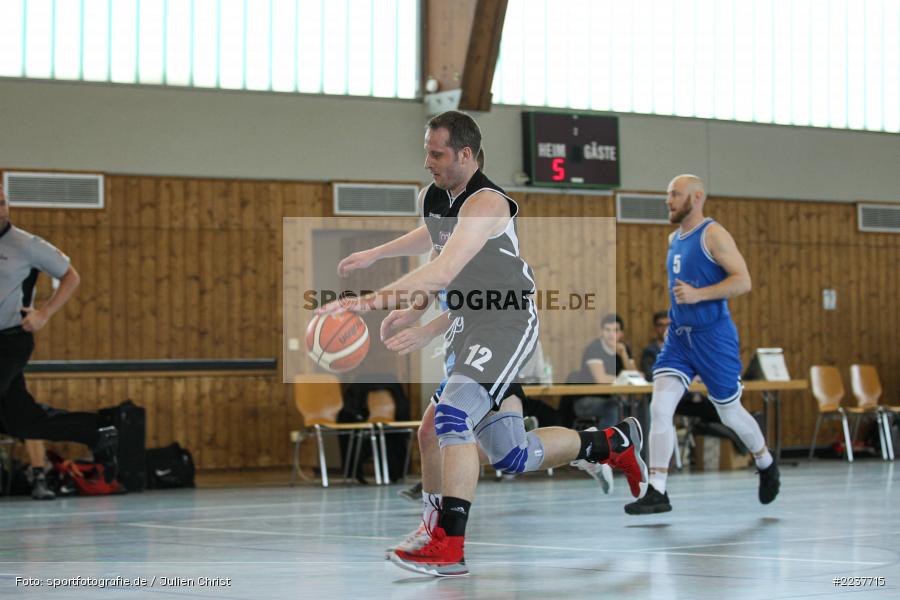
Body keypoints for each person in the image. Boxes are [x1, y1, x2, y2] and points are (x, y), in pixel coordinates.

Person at [321, 111, 647, 577]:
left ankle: (447, 544)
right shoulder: (434, 196)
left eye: (437, 153)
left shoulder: (488, 202)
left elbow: (444, 267)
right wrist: (396, 280)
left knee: (451, 419)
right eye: (426, 150)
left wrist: (367, 301)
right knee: (497, 450)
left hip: (506, 321)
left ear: (466, 154)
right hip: (469, 322)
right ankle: (608, 443)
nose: (428, 160)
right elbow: (435, 244)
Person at [625, 174, 780, 515]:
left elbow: (743, 281)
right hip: (680, 338)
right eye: (667, 194)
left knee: (730, 412)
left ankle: (766, 462)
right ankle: (658, 489)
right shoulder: (673, 238)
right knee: (660, 407)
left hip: (714, 337)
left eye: (674, 194)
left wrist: (699, 295)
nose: (668, 200)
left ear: (695, 197)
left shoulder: (714, 234)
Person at [0, 183, 118, 487]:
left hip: (10, 339)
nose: (0, 210)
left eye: (2, 203)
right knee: (21, 420)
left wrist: (44, 314)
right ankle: (96, 431)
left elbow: (70, 276)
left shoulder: (26, 244)